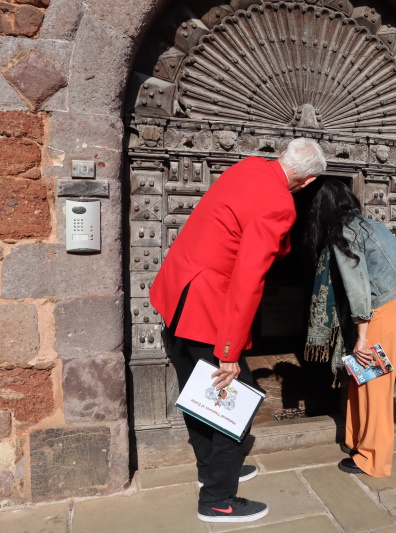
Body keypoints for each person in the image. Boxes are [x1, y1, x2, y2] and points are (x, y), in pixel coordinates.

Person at [149, 138, 326, 523]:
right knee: (237, 404)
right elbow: (248, 278)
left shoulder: (247, 167)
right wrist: (228, 351)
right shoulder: (279, 205)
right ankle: (218, 499)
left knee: (199, 396)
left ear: (283, 156)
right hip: (208, 310)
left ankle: (210, 472)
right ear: (308, 181)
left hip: (177, 295)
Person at [304, 178, 396, 477]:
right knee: (363, 376)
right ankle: (356, 439)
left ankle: (373, 459)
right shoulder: (372, 225)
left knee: (374, 382)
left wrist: (361, 336)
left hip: (382, 307)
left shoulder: (344, 233)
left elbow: (358, 288)